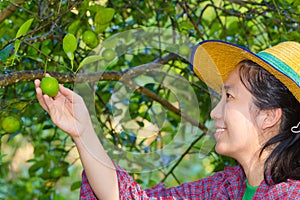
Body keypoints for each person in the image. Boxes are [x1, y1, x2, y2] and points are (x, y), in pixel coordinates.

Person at [35, 40, 300, 200]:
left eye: (229, 97)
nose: (214, 113)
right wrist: (83, 132)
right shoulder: (227, 189)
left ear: (268, 116)